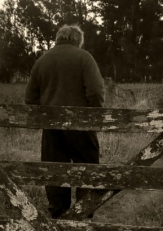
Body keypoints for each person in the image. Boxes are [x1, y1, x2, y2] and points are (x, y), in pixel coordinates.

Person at [24, 25, 104, 218]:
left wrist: (45, 115)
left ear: (58, 38)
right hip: (81, 125)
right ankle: (83, 216)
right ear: (78, 40)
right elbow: (95, 92)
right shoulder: (84, 58)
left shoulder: (42, 61)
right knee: (87, 169)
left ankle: (58, 219)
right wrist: (94, 117)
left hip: (52, 128)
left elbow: (30, 98)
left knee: (55, 171)